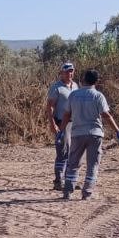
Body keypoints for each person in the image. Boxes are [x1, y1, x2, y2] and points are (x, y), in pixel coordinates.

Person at [59, 69, 119, 200]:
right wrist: (118, 131)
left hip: (77, 134)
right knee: (93, 164)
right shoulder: (98, 96)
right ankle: (87, 192)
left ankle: (67, 191)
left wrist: (61, 131)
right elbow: (106, 115)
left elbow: (66, 114)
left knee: (73, 163)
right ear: (97, 81)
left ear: (83, 80)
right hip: (95, 134)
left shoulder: (74, 95)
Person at [45, 61, 77, 189]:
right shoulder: (56, 87)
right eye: (67, 71)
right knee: (62, 152)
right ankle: (58, 181)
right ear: (61, 73)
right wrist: (52, 124)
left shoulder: (75, 86)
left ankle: (69, 181)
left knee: (72, 152)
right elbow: (50, 106)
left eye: (71, 71)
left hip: (74, 124)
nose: (69, 73)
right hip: (60, 123)